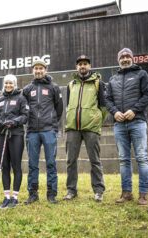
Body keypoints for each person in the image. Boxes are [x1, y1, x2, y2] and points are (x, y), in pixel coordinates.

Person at [105, 48, 148, 205]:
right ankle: (126, 193)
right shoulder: (113, 79)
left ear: (132, 58)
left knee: (142, 158)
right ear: (118, 60)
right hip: (119, 124)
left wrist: (134, 110)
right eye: (122, 57)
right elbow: (108, 100)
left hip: (137, 122)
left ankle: (143, 194)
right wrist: (115, 112)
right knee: (123, 159)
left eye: (127, 57)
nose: (125, 59)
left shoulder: (141, 74)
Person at [63, 55, 109, 202]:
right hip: (72, 128)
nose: (82, 66)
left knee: (95, 160)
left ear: (90, 66)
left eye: (85, 64)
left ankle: (98, 190)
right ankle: (71, 190)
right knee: (70, 160)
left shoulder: (98, 84)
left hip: (91, 128)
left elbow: (104, 106)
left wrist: (96, 121)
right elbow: (68, 106)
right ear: (76, 67)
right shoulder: (71, 85)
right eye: (80, 64)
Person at [23, 60, 63, 204]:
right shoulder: (27, 89)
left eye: (41, 68)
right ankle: (33, 194)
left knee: (51, 163)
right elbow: (24, 109)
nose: (38, 71)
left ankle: (51, 193)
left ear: (46, 70)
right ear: (32, 70)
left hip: (48, 130)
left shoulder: (54, 87)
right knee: (32, 164)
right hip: (32, 131)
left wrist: (51, 123)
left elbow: (59, 110)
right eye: (36, 68)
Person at [0, 74, 29, 208]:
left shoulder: (21, 98)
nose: (8, 85)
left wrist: (14, 122)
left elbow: (25, 116)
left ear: (15, 84)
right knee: (4, 166)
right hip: (1, 135)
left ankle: (15, 197)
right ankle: (6, 197)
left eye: (11, 83)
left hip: (16, 135)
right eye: (6, 83)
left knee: (15, 165)